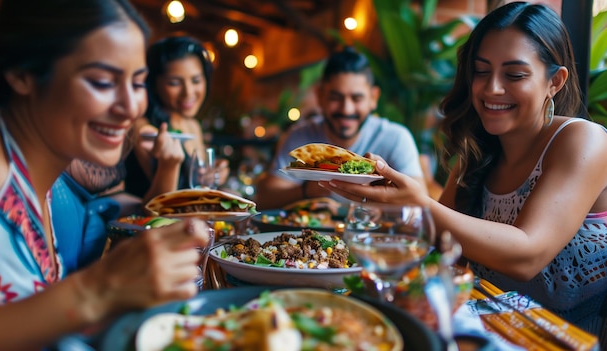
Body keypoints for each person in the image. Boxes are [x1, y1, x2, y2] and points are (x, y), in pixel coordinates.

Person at [323, 2, 607, 343]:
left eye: (514, 75)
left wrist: (421, 204)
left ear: (555, 81)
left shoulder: (582, 139)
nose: (491, 89)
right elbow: (441, 246)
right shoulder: (477, 151)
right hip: (482, 335)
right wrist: (388, 197)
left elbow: (527, 254)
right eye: (481, 71)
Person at [0, 1, 210, 349]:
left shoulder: (37, 180)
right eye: (102, 82)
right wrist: (96, 290)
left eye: (138, 83)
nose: (131, 107)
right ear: (23, 73)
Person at [255, 47, 426, 209]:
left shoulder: (396, 138)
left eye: (357, 98)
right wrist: (308, 190)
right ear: (320, 96)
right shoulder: (300, 135)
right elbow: (263, 199)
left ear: (373, 98)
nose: (346, 109)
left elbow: (420, 204)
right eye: (336, 98)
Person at [124, 35, 229, 201]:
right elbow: (160, 203)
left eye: (196, 80)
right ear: (154, 84)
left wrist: (212, 175)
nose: (188, 92)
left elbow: (196, 185)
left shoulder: (193, 125)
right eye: (174, 83)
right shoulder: (145, 129)